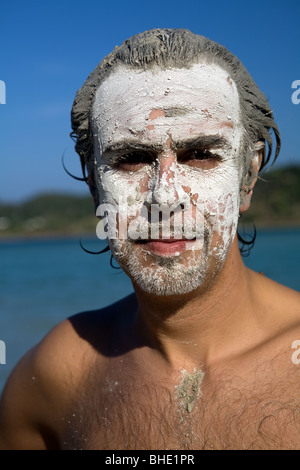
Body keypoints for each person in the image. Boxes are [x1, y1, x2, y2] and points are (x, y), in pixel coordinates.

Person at [0, 28, 300, 451]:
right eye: (130, 159)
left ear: (247, 178)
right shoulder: (54, 377)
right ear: (93, 184)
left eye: (199, 154)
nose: (165, 196)